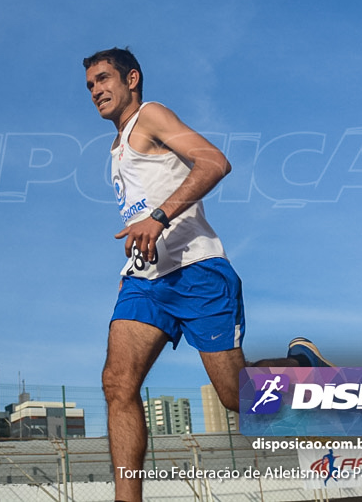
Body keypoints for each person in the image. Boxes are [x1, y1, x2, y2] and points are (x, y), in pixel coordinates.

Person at [83, 47, 332, 502]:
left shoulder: (151, 116)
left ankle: (303, 366)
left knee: (237, 398)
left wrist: (158, 218)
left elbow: (215, 162)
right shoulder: (115, 148)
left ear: (131, 78)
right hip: (146, 281)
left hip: (197, 271)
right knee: (117, 383)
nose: (96, 90)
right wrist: (132, 266)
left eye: (103, 79)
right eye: (90, 85)